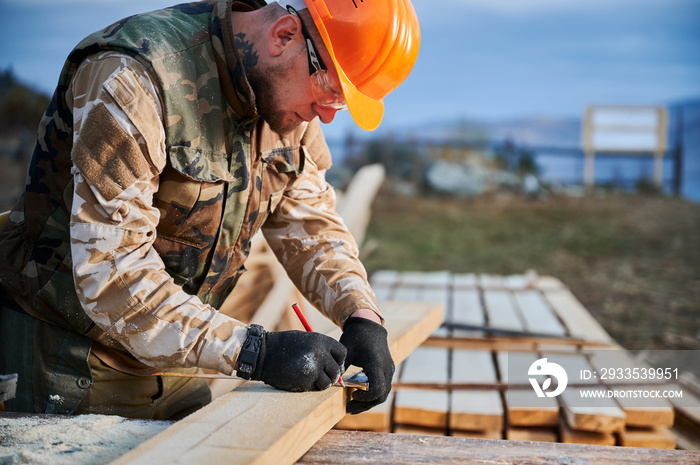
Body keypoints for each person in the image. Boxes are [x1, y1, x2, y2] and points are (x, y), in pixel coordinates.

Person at [0, 0, 419, 420]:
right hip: (66, 357)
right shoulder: (134, 78)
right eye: (330, 91)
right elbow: (111, 270)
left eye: (341, 103)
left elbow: (309, 221)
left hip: (178, 353)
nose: (327, 115)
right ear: (285, 36)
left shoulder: (287, 98)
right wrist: (255, 351)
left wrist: (360, 314)